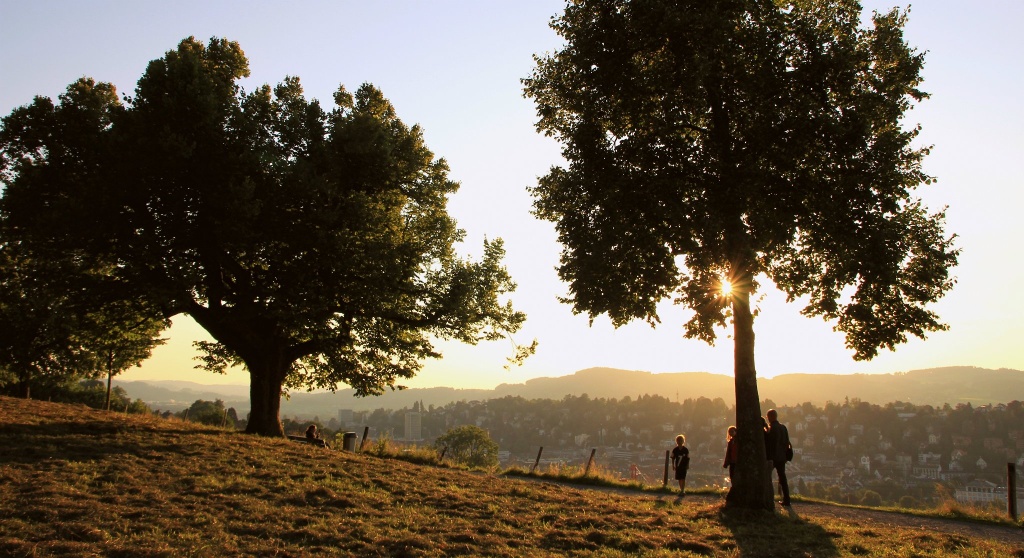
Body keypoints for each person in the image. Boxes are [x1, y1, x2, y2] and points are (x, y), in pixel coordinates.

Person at [765, 409, 792, 506]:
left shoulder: (772, 429)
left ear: (769, 417)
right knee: (782, 478)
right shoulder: (783, 427)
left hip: (773, 457)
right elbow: (787, 442)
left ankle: (768, 498)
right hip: (782, 457)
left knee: (767, 477)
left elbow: (769, 443)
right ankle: (787, 499)